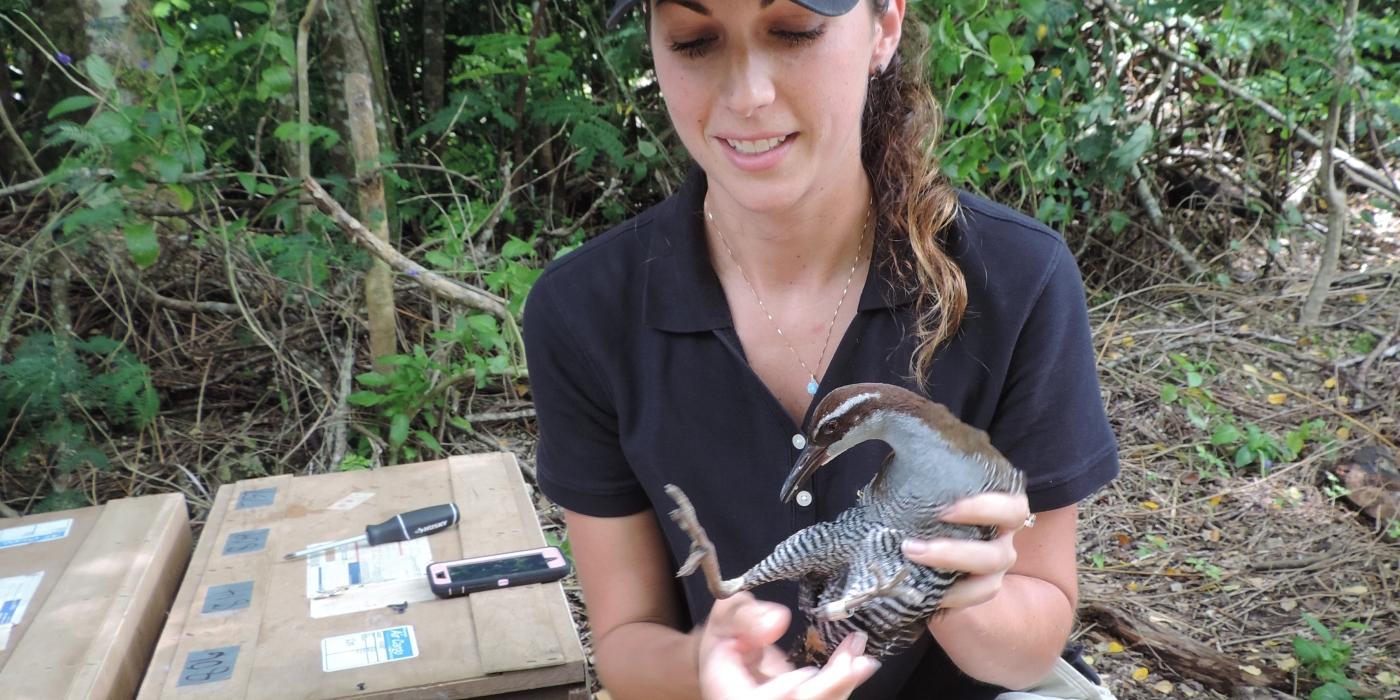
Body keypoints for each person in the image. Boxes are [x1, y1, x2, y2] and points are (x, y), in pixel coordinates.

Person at [522, 1, 1120, 698]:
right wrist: (705, 669)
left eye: (794, 31)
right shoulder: (584, 310)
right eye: (694, 41)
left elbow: (1028, 647)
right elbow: (627, 644)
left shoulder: (1019, 280)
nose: (748, 95)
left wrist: (957, 590)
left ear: (884, 27)